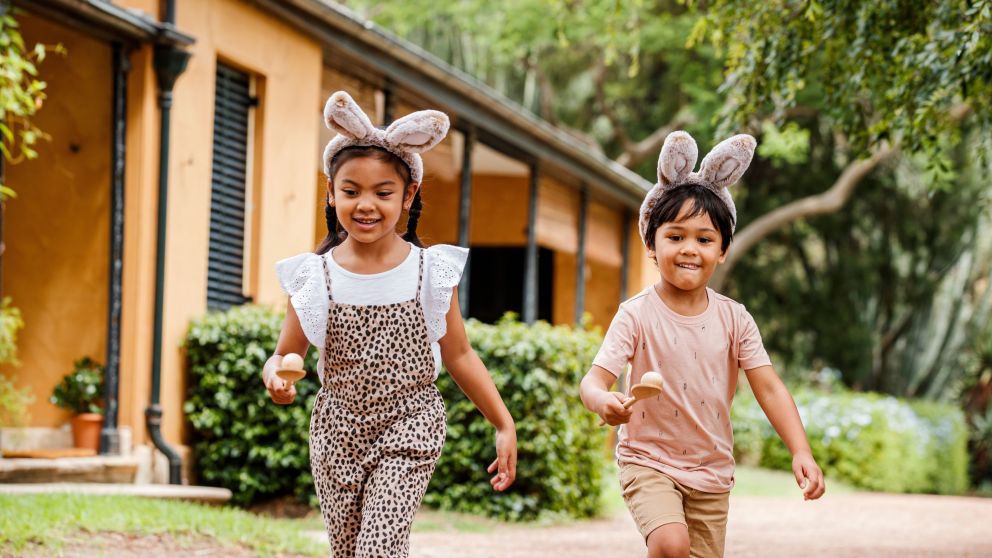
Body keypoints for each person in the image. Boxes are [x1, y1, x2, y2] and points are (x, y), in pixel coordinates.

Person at [262, 91, 517, 558]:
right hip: (337, 432)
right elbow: (283, 353)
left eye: (383, 193)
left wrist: (503, 423)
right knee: (349, 552)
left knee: (376, 550)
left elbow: (459, 354)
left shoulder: (429, 271)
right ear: (331, 192)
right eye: (351, 190)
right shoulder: (313, 275)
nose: (366, 205)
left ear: (407, 196)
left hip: (410, 426)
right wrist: (276, 376)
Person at [579, 131, 825, 558]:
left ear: (723, 250)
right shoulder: (635, 314)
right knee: (670, 545)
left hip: (712, 473)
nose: (689, 249)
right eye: (675, 237)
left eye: (704, 239)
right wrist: (602, 401)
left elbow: (769, 387)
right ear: (651, 244)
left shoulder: (735, 319)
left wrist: (800, 450)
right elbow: (593, 380)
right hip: (648, 461)